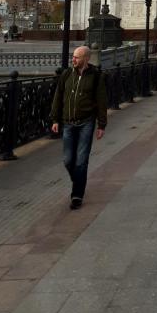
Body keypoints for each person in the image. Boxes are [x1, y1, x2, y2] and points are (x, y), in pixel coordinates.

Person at [50, 46, 107, 210]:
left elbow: (102, 101)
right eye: (73, 57)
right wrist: (55, 119)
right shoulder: (67, 74)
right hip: (68, 122)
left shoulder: (96, 76)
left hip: (86, 123)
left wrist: (101, 124)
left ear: (86, 59)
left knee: (81, 161)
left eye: (76, 57)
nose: (73, 59)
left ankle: (77, 195)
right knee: (68, 160)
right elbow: (58, 96)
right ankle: (79, 181)